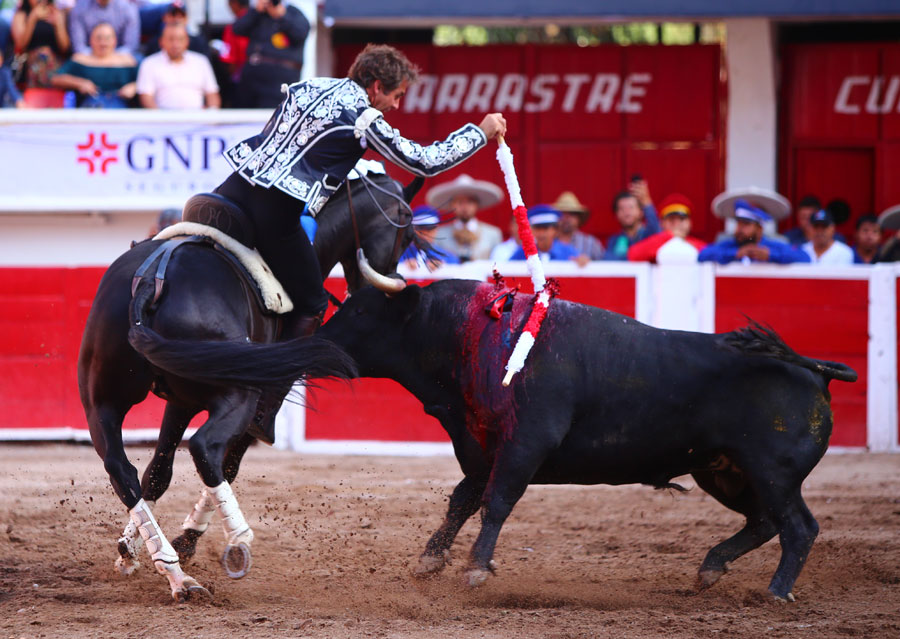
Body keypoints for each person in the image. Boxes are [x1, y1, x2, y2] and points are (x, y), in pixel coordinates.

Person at [215, 43, 505, 338]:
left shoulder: (308, 85)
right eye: (397, 95)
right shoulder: (363, 118)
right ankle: (272, 377)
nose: (396, 105)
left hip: (231, 190)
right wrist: (480, 132)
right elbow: (424, 162)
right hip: (276, 211)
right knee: (313, 302)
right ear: (377, 87)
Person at [231, 0, 309, 108]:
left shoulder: (293, 13)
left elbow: (300, 34)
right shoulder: (258, 14)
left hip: (279, 79)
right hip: (252, 76)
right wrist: (255, 11)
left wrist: (282, 16)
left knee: (272, 115)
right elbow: (237, 29)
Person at [50, 22, 136, 107]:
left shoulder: (129, 61)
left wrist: (134, 87)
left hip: (121, 109)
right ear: (90, 40)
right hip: (89, 106)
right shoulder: (79, 59)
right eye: (98, 38)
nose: (103, 43)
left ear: (115, 41)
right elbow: (56, 78)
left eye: (107, 38)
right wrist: (80, 83)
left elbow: (146, 81)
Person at [698, 199, 810, 264]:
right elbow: (703, 255)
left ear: (759, 229)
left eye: (746, 224)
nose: (739, 229)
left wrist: (771, 255)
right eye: (738, 223)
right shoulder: (730, 245)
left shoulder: (771, 246)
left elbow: (805, 258)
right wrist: (735, 254)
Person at [136, 23, 220, 109]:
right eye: (171, 39)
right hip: (162, 120)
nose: (176, 44)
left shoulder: (201, 61)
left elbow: (212, 94)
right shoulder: (149, 63)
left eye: (180, 39)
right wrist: (161, 119)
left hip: (198, 120)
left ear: (187, 41)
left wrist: (211, 114)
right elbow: (146, 98)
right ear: (161, 41)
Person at [428, 173, 504, 262]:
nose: (465, 207)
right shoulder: (439, 234)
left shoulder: (493, 234)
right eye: (460, 202)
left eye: (469, 202)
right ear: (452, 205)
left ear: (477, 205)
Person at [627, 193, 707, 263]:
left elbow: (709, 254)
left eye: (682, 219)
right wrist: (669, 236)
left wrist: (685, 243)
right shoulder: (657, 241)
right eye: (671, 219)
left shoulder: (696, 243)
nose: (677, 223)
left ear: (690, 222)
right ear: (662, 223)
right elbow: (633, 255)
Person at [10, 0, 70, 87]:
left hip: (55, 64)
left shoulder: (56, 13)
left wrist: (58, 24)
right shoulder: (21, 15)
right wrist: (32, 18)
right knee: (39, 62)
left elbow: (65, 47)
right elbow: (20, 45)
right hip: (30, 64)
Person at [603, 177, 660, 260]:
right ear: (616, 215)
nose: (627, 212)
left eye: (631, 207)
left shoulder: (649, 235)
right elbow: (609, 262)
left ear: (641, 212)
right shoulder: (614, 241)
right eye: (622, 208)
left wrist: (646, 201)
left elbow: (656, 228)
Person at [68, 0, 139, 58]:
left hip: (119, 59)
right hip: (89, 58)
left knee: (136, 60)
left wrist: (109, 57)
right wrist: (98, 56)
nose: (103, 42)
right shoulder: (79, 8)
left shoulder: (128, 8)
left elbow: (130, 47)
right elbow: (79, 47)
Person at [509, 205, 579, 263]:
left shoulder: (568, 253)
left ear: (555, 230)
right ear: (531, 231)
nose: (541, 233)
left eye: (545, 228)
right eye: (537, 228)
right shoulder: (522, 253)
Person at [399, 206, 460, 270]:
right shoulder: (398, 256)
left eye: (430, 229)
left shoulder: (448, 257)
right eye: (420, 229)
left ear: (436, 229)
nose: (425, 233)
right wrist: (403, 266)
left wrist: (443, 267)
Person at [140, 3, 209, 57]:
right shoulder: (154, 43)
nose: (176, 19)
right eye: (172, 15)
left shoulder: (199, 43)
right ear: (164, 18)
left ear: (186, 19)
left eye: (181, 15)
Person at [552, 191, 604, 260]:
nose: (566, 218)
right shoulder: (547, 242)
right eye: (562, 213)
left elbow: (605, 266)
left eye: (572, 214)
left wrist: (589, 263)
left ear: (579, 219)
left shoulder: (590, 243)